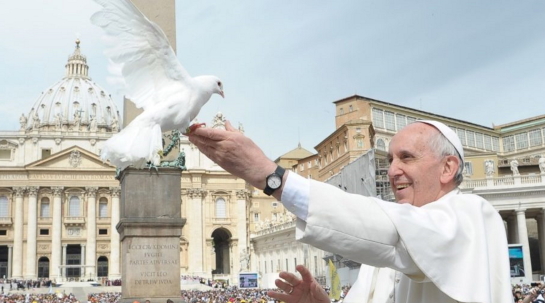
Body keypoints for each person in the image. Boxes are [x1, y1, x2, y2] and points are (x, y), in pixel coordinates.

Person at [188, 120, 511, 302]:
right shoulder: (388, 254)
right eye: (389, 161)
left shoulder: (472, 215)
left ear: (447, 167)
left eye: (407, 158)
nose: (393, 171)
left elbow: (395, 230)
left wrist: (271, 177)